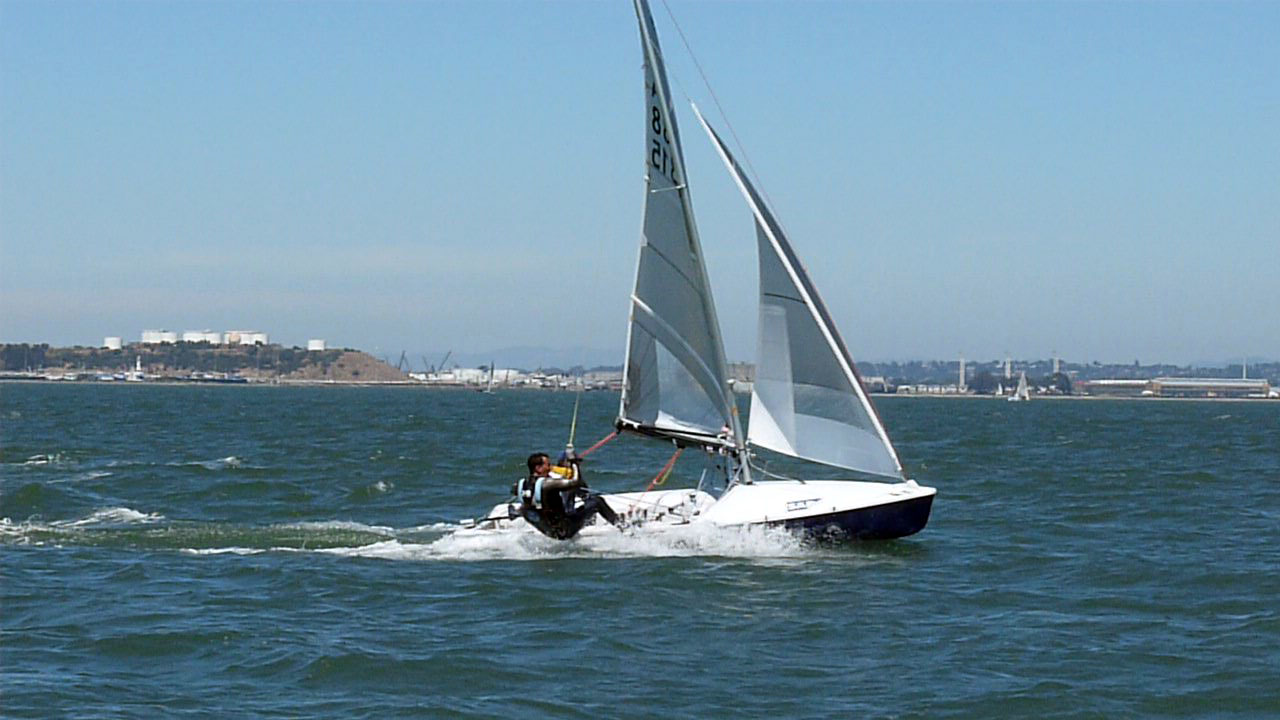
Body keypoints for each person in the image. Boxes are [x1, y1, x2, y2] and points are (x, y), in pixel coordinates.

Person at [510, 451, 623, 540]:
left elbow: (526, 496)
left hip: (548, 531)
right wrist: (574, 463)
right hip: (565, 530)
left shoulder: (521, 485)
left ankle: (517, 512)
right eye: (548, 465)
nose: (550, 467)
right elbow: (575, 482)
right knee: (597, 501)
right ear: (538, 468)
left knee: (527, 507)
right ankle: (623, 527)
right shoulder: (547, 483)